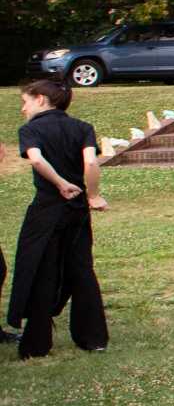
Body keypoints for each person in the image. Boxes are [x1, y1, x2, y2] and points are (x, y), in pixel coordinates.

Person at [10, 78, 108, 359]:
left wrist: (60, 183)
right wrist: (93, 195)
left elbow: (37, 159)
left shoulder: (30, 130)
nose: (23, 109)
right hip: (77, 211)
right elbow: (91, 162)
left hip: (46, 211)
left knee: (41, 269)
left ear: (41, 99)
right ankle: (93, 338)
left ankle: (37, 344)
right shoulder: (82, 128)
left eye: (25, 102)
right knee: (81, 270)